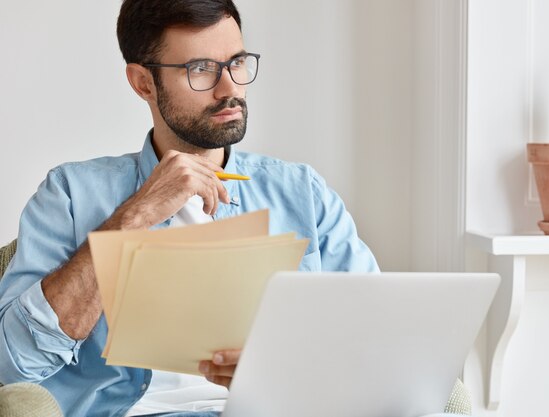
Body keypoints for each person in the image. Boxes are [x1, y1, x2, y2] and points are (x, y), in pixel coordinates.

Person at [0, 0, 379, 416]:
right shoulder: (70, 194)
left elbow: (376, 340)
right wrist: (135, 216)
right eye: (201, 69)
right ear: (143, 82)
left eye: (236, 62)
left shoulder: (303, 193)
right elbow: (13, 364)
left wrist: (285, 368)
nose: (229, 88)